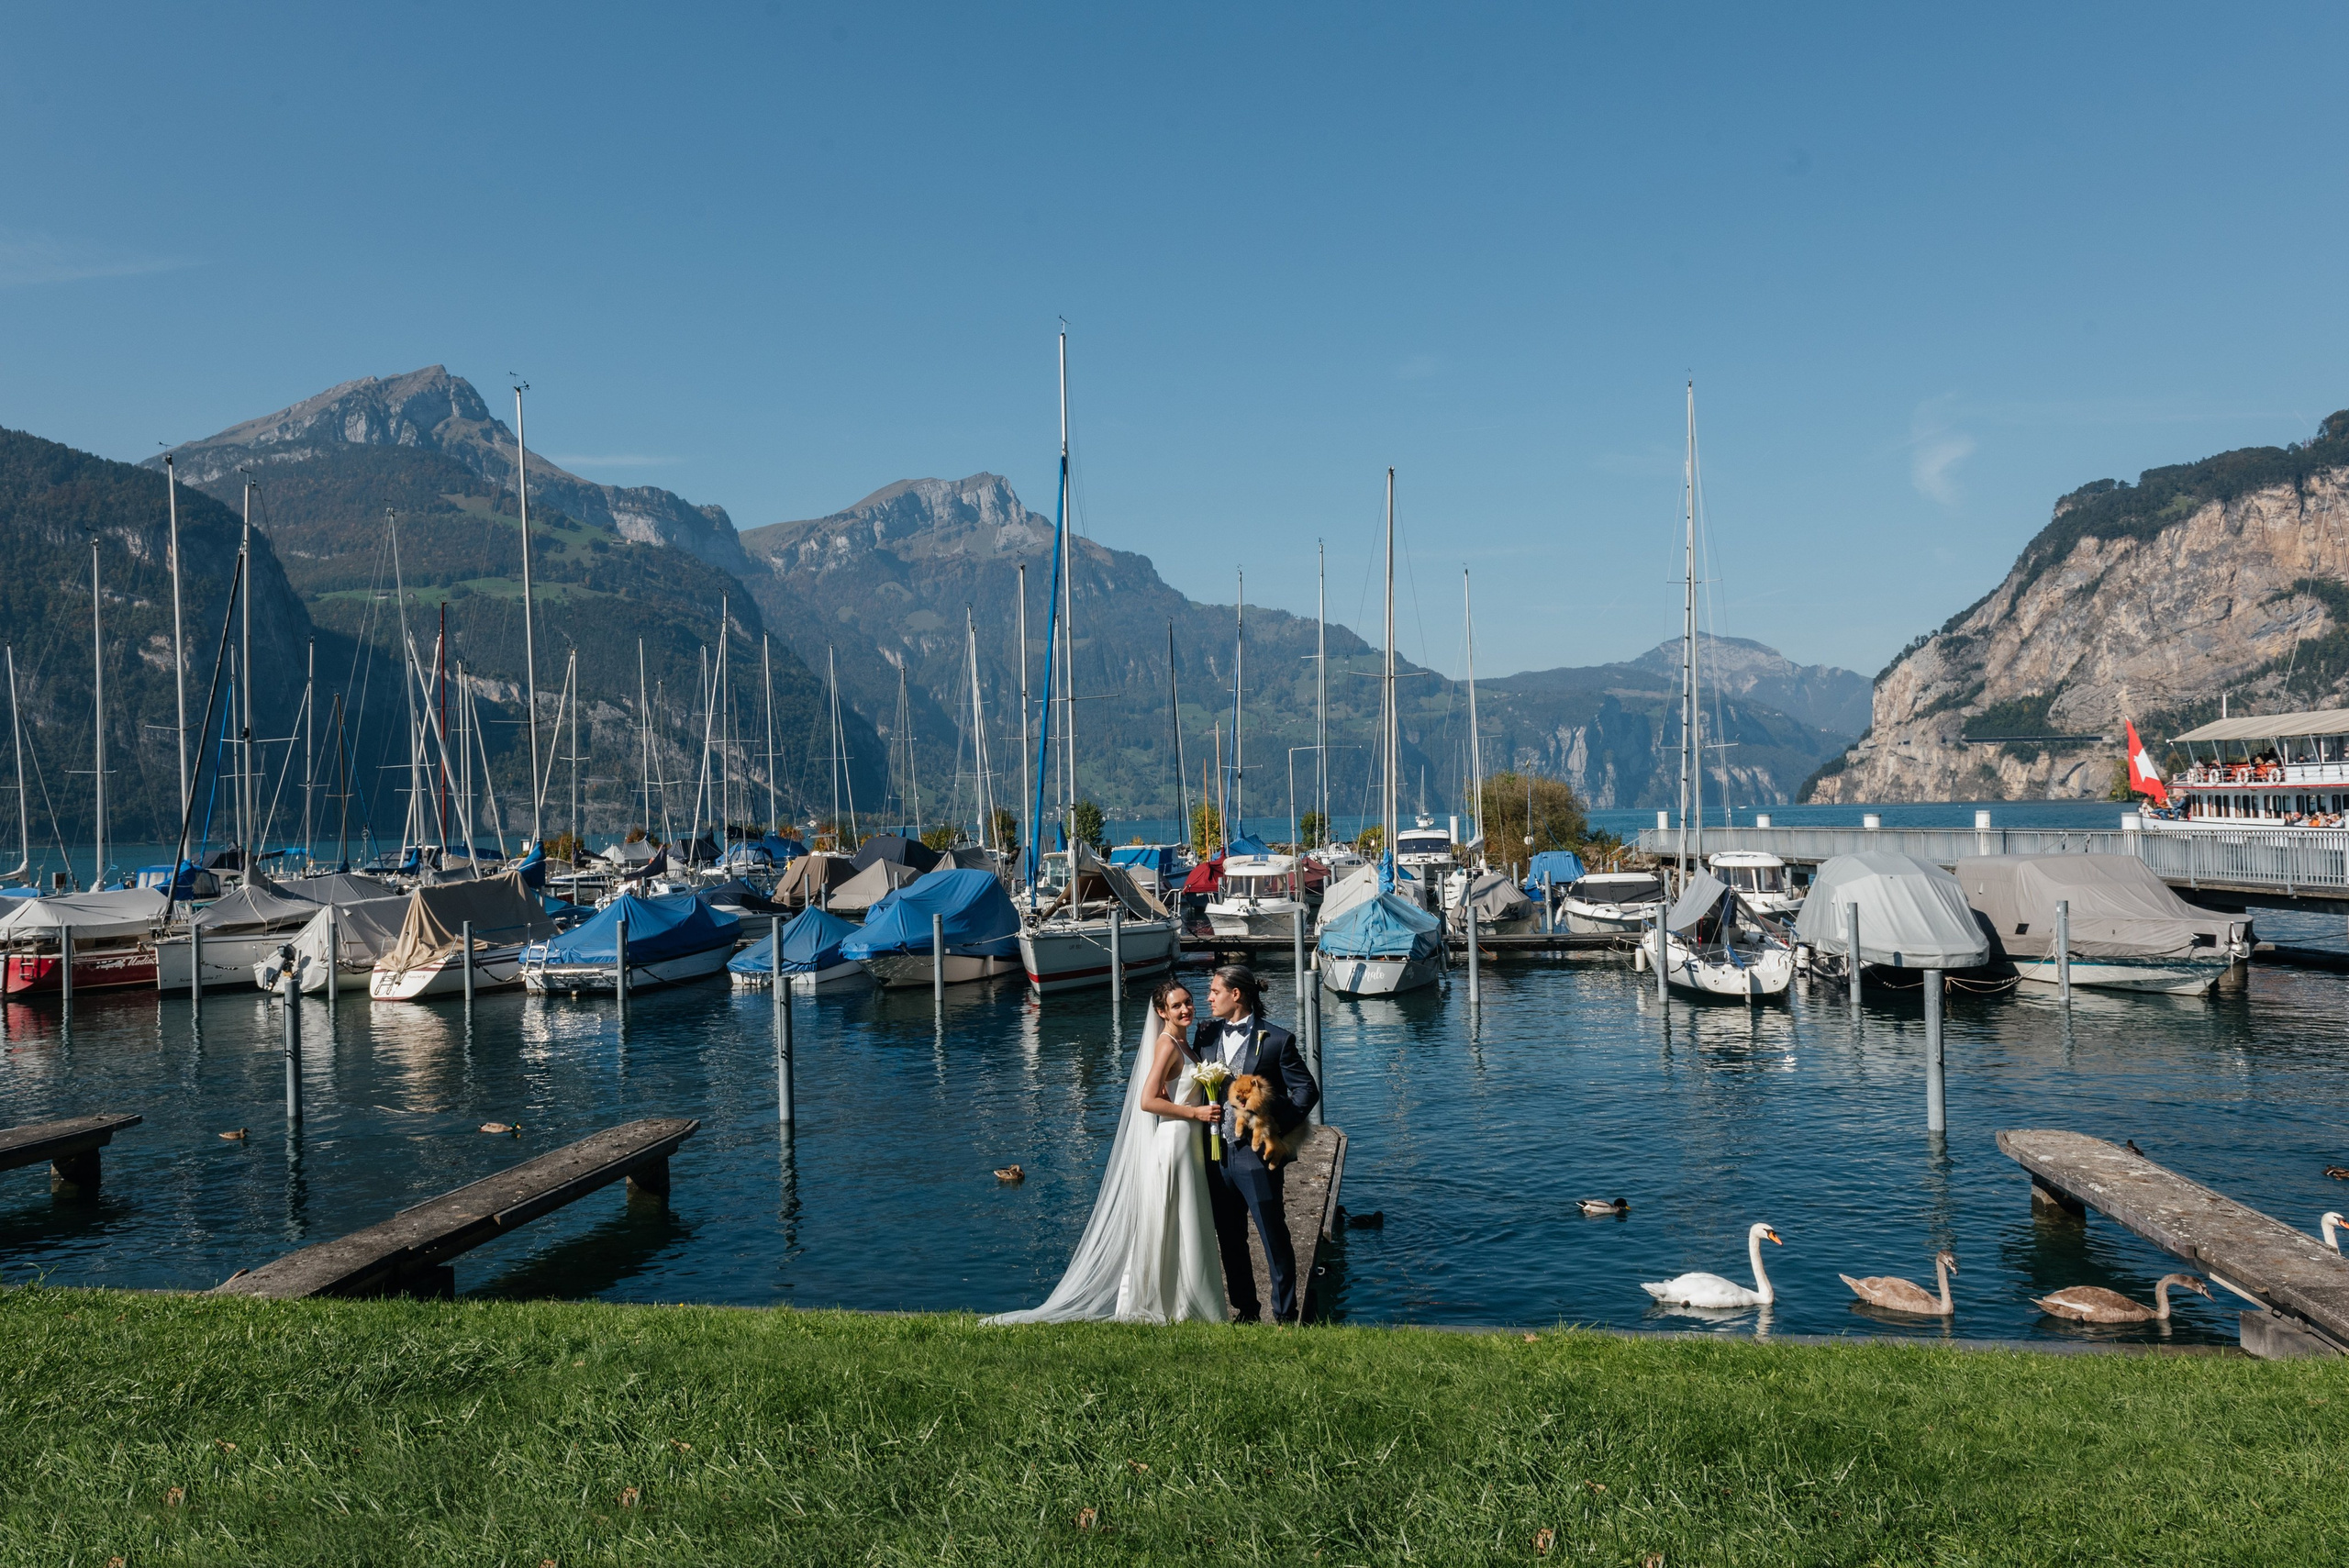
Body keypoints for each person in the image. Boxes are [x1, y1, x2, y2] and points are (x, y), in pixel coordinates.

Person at [985, 979, 1229, 1324]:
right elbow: (1147, 1101)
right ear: (1162, 1012)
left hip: (1188, 1144)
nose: (1186, 1009)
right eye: (1176, 1006)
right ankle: (1177, 1305)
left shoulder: (1183, 1044)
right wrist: (1196, 1113)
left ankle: (1189, 1303)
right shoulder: (1166, 1046)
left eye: (1188, 1002)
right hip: (1175, 1142)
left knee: (1187, 1222)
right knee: (1176, 1220)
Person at [1195, 963, 1319, 1322]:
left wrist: (1275, 1129)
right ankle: (1246, 1310)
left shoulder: (1277, 1039)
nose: (1209, 998)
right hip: (1216, 1155)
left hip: (1254, 1157)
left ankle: (1285, 1314)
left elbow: (1306, 1090)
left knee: (1273, 1233)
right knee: (1230, 1237)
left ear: (1236, 994)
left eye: (1214, 991)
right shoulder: (1205, 1035)